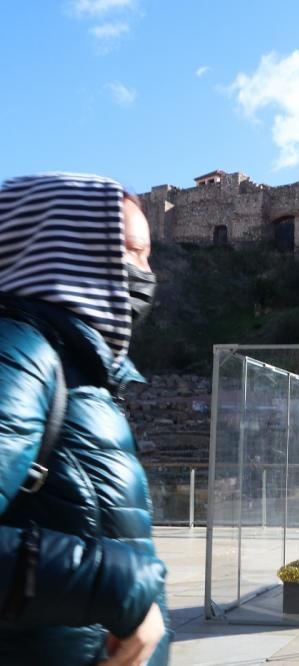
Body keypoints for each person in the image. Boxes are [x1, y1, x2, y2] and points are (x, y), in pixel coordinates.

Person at [0, 173, 169, 665]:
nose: (145, 274)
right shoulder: (19, 352)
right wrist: (117, 587)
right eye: (132, 253)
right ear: (63, 249)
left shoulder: (88, 377)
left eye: (148, 256)